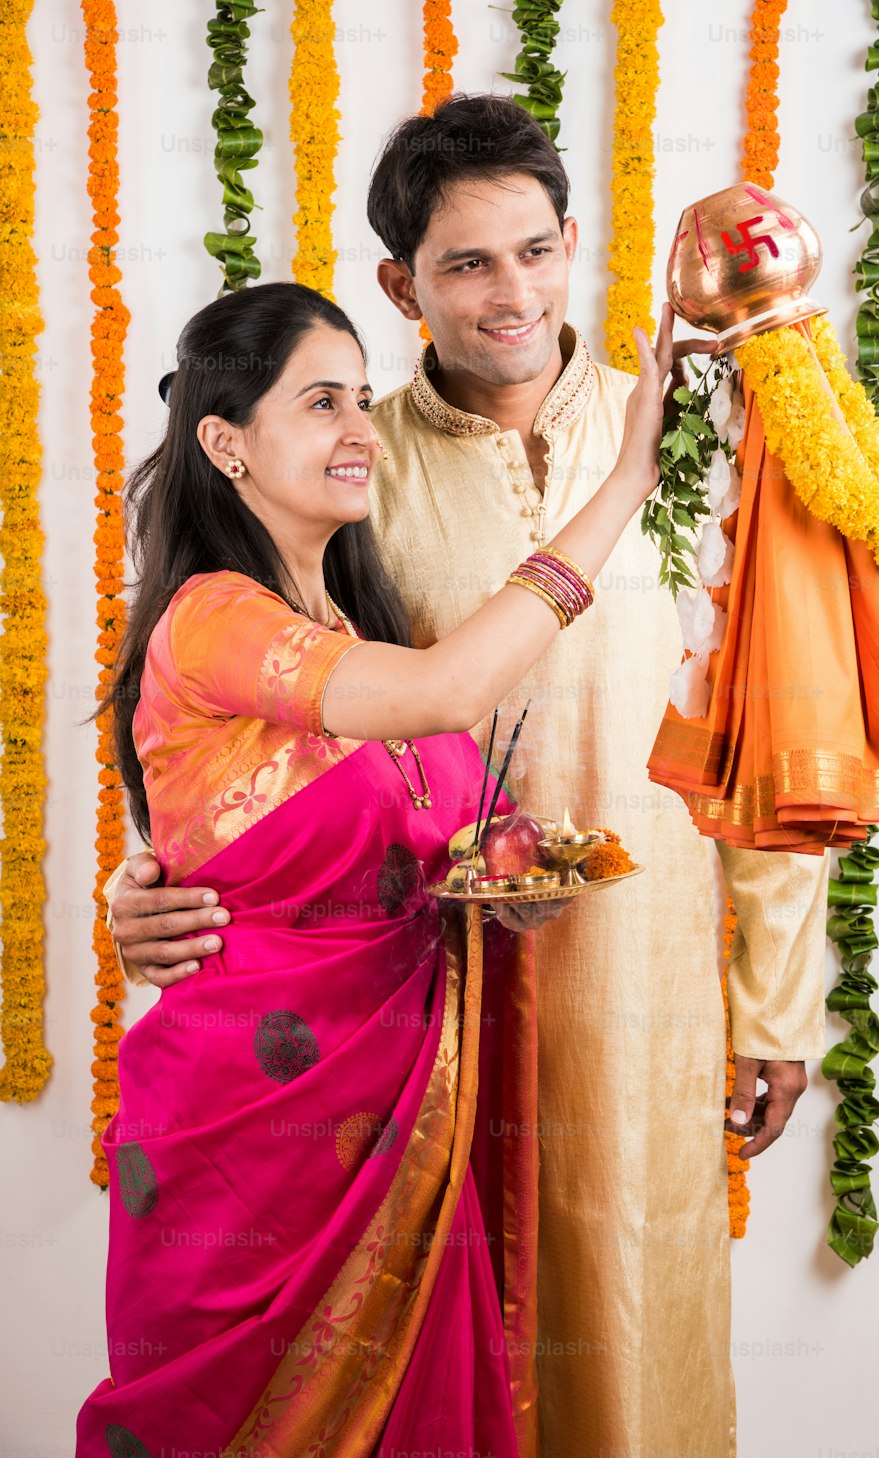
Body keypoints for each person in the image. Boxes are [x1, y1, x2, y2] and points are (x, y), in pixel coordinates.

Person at [108, 97, 832, 1457]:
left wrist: (776, 1000)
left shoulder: (690, 443)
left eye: (536, 251)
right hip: (420, 1017)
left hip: (645, 989)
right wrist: (137, 884)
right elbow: (249, 728)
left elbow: (763, 731)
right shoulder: (344, 462)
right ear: (401, 285)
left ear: (572, 248)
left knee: (632, 1329)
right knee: (438, 1337)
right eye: (465, 264)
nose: (515, 294)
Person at [77, 280, 675, 1456]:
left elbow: (476, 838)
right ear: (224, 442)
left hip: (410, 1130)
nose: (361, 428)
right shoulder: (212, 620)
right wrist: (627, 482)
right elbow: (456, 688)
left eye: (361, 396)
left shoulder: (362, 638)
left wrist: (522, 879)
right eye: (320, 402)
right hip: (253, 1151)